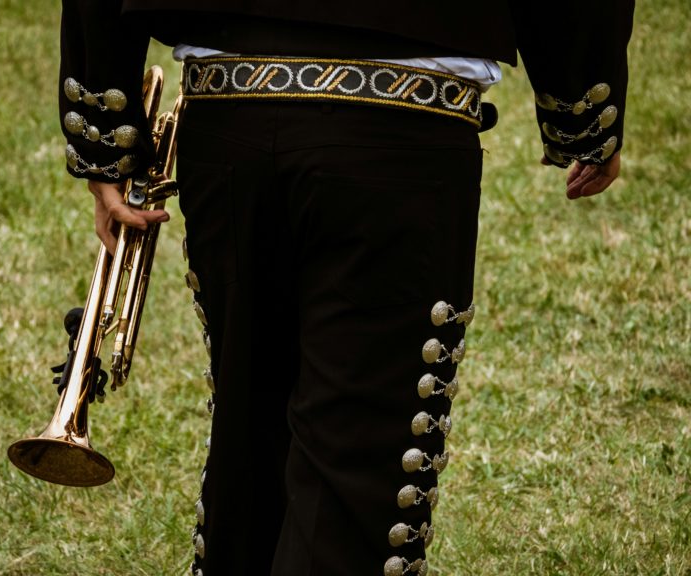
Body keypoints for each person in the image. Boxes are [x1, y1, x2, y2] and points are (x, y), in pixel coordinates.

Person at [58, 2, 634, 574]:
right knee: (354, 472)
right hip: (403, 121)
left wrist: (105, 138)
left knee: (250, 449)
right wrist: (582, 104)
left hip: (231, 108)